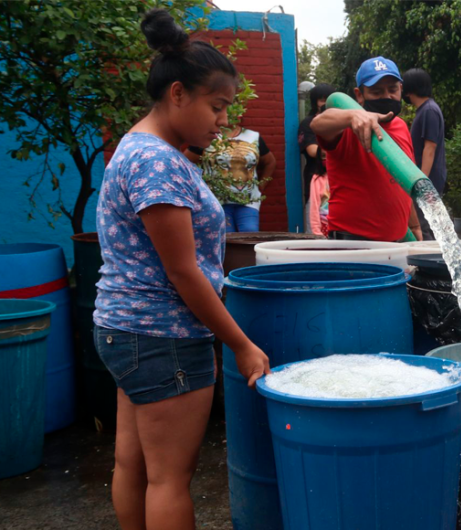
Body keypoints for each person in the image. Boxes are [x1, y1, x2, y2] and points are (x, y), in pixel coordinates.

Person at [93, 10, 270, 530]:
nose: (223, 121)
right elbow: (184, 271)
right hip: (163, 334)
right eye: (216, 107)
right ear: (177, 94)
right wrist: (240, 344)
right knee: (170, 477)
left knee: (136, 463)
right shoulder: (159, 162)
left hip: (128, 329)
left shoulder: (136, 147)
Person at [311, 57, 422, 241]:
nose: (387, 96)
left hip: (397, 242)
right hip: (353, 244)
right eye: (377, 91)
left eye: (392, 89)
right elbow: (318, 124)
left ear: (401, 88)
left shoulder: (401, 126)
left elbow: (402, 179)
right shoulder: (347, 126)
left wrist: (415, 225)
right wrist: (353, 116)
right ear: (360, 94)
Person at [185, 125, 276, 232]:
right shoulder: (207, 136)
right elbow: (185, 163)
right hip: (218, 200)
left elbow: (270, 162)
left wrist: (260, 186)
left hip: (248, 200)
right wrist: (200, 188)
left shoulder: (253, 136)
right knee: (227, 236)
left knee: (249, 232)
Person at [403, 68, 446, 240]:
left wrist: (422, 182)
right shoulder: (424, 109)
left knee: (425, 225)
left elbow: (430, 148)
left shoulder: (429, 110)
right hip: (425, 178)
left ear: (410, 88)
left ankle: (428, 264)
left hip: (428, 179)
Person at [298, 83, 335, 231]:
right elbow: (313, 150)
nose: (325, 104)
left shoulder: (341, 121)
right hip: (316, 180)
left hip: (337, 181)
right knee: (315, 225)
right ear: (314, 102)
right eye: (321, 100)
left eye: (328, 99)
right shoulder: (308, 123)